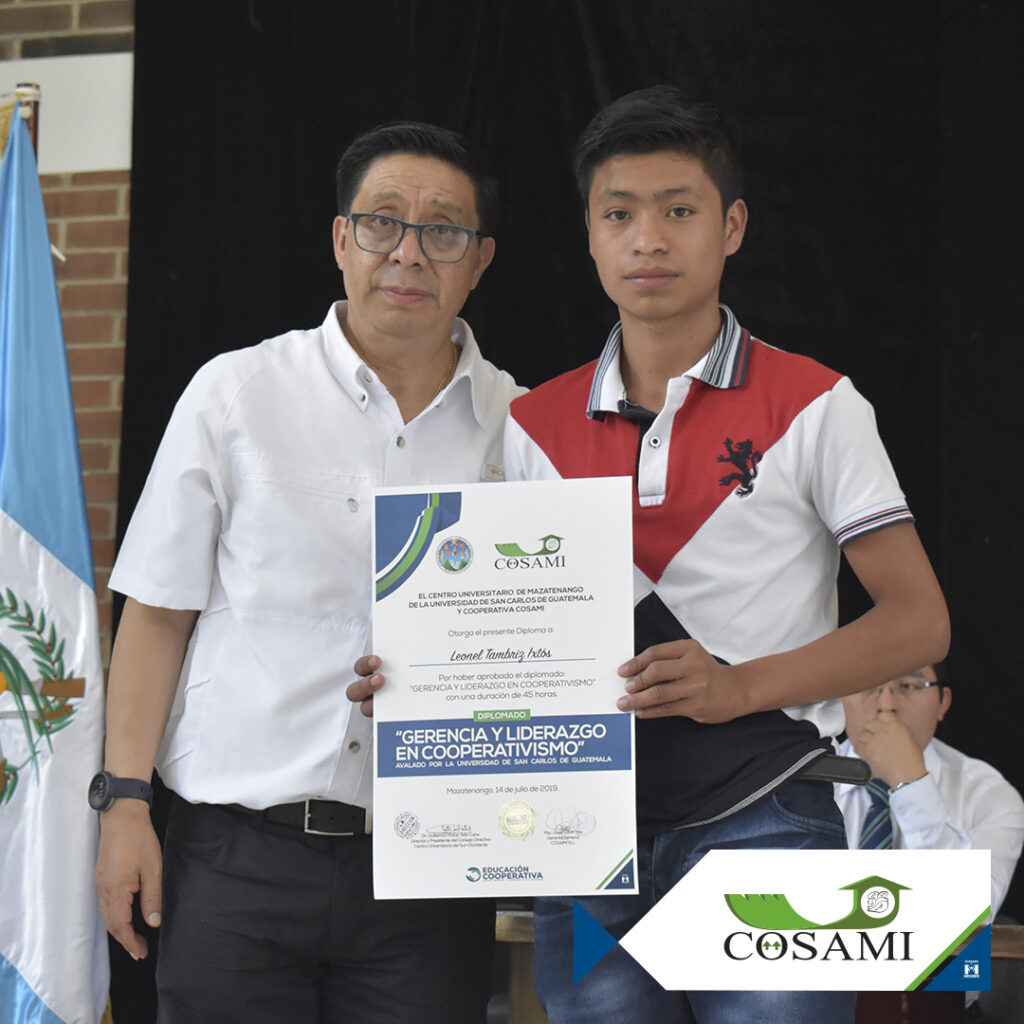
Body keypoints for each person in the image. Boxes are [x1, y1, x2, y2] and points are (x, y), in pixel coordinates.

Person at [499, 87, 949, 1023]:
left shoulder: (817, 403)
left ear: (732, 225)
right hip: (584, 840)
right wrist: (422, 679)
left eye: (679, 210)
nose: (647, 239)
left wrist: (738, 686)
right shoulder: (530, 424)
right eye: (619, 214)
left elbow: (919, 622)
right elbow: (512, 633)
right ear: (589, 234)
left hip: (769, 815)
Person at [93, 121, 524, 1024]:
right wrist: (125, 804)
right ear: (340, 238)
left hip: (432, 870)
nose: (408, 252)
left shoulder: (524, 429)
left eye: (443, 231)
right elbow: (157, 613)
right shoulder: (237, 393)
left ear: (481, 261)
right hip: (237, 861)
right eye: (382, 222)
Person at [837, 665, 1024, 916]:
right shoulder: (798, 782)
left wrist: (910, 782)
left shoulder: (988, 796)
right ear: (837, 702)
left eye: (908, 686)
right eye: (867, 686)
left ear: (942, 703)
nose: (886, 705)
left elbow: (970, 915)